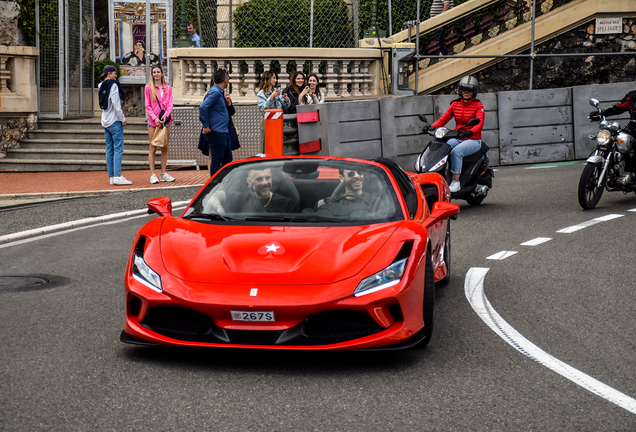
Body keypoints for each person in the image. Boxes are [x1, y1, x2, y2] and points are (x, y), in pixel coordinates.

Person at [430, 75, 485, 192]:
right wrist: (430, 127)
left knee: (456, 152)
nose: (466, 93)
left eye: (469, 91)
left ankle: (456, 182)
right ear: (460, 90)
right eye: (464, 90)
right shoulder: (455, 104)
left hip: (473, 139)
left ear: (474, 92)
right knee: (445, 147)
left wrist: (470, 132)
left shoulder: (478, 105)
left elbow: (479, 124)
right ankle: (443, 176)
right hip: (458, 137)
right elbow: (443, 119)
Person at [206, 168, 297, 213]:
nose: (265, 183)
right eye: (259, 179)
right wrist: (219, 209)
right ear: (249, 182)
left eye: (267, 178)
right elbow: (215, 196)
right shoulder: (241, 198)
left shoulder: (286, 203)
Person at [98, 65, 131, 185]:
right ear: (109, 74)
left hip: (105, 121)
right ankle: (117, 175)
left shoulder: (101, 85)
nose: (116, 76)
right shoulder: (113, 85)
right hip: (115, 120)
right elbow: (116, 104)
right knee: (118, 148)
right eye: (114, 73)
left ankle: (111, 177)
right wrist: (123, 118)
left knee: (109, 149)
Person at [144, 65, 176, 184]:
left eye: (158, 72)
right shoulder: (148, 88)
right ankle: (152, 174)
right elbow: (147, 105)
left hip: (165, 121)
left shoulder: (167, 88)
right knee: (153, 148)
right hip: (153, 122)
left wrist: (166, 115)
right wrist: (154, 118)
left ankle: (163, 173)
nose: (156, 74)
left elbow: (170, 104)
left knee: (165, 147)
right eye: (154, 72)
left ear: (162, 73)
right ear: (152, 74)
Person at [200, 69, 232, 176]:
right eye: (227, 77)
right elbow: (203, 107)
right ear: (225, 79)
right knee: (216, 160)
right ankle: (214, 184)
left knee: (228, 161)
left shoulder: (219, 92)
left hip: (223, 132)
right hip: (217, 133)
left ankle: (225, 183)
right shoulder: (215, 93)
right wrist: (205, 126)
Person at [313, 168, 380, 217]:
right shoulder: (327, 204)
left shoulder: (375, 203)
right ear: (342, 178)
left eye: (359, 172)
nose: (357, 176)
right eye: (351, 174)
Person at [256, 71, 290, 149]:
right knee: (266, 146)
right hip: (267, 122)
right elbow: (262, 109)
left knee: (277, 146)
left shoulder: (276, 92)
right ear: (268, 80)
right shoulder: (261, 94)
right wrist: (271, 97)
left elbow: (285, 107)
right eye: (274, 78)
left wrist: (286, 99)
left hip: (278, 122)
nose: (276, 80)